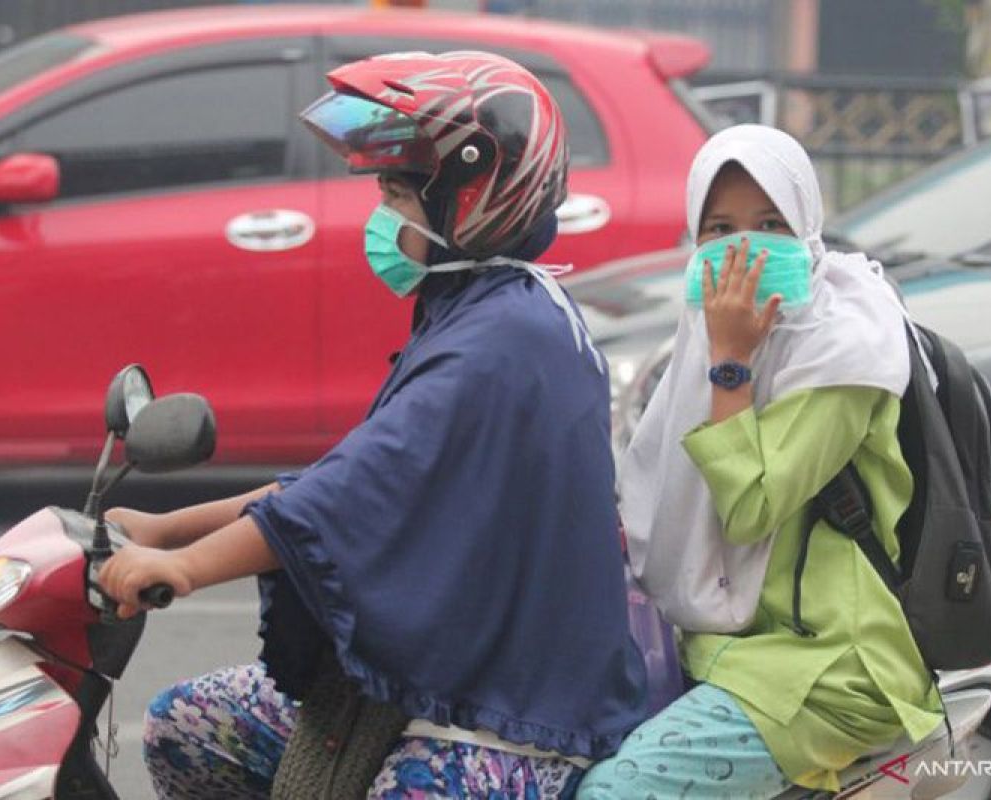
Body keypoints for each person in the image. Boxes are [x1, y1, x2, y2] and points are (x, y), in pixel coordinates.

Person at [98, 50, 650, 799]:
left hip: (514, 711)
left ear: (476, 196)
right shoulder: (472, 313)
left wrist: (187, 568)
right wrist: (164, 531)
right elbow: (344, 481)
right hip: (444, 670)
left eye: (398, 197)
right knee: (188, 725)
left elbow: (347, 498)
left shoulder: (507, 340)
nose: (382, 220)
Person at [578, 125, 944, 799]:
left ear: (806, 229)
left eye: (769, 223)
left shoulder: (844, 352)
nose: (742, 248)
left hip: (828, 669)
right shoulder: (700, 339)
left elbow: (748, 509)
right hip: (728, 649)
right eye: (718, 228)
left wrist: (732, 366)